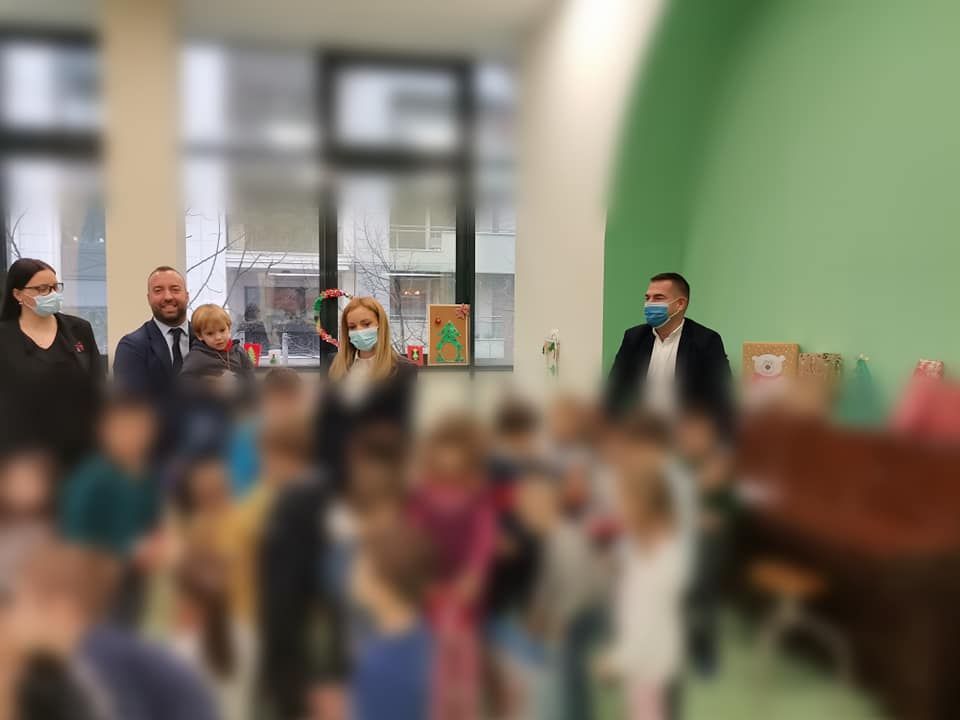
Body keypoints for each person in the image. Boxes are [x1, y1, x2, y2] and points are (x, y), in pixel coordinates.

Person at [596, 469, 688, 720]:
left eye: (624, 503)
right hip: (646, 664)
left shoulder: (662, 562)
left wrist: (615, 661)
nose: (619, 511)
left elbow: (645, 624)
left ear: (643, 508)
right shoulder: (650, 546)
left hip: (650, 666)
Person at [0, 258, 104, 469]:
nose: (52, 294)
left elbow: (97, 385)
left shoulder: (79, 329)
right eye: (43, 289)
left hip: (80, 449)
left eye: (56, 287)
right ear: (18, 294)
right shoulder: (4, 336)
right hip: (23, 452)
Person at [606, 272, 732, 431]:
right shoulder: (634, 337)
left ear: (680, 304)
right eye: (647, 298)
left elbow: (722, 397)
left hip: (686, 432)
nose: (649, 304)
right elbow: (615, 389)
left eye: (658, 298)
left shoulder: (706, 340)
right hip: (640, 431)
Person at [316, 297, 418, 492]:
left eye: (366, 324)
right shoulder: (334, 365)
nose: (359, 331)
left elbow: (402, 428)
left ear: (380, 325)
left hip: (381, 472)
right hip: (337, 470)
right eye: (352, 327)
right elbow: (326, 422)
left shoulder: (404, 370)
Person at [113, 266, 192, 402]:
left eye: (175, 289)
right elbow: (131, 403)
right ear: (149, 299)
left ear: (187, 296)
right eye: (158, 291)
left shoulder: (206, 341)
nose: (168, 297)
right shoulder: (132, 347)